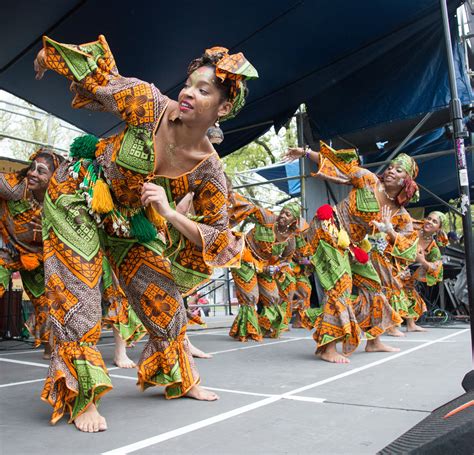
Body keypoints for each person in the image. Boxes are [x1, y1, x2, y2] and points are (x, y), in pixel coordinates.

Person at [34, 35, 257, 432]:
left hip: (128, 217)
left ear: (222, 108)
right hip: (77, 193)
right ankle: (81, 395)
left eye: (202, 90)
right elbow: (101, 77)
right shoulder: (149, 102)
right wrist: (50, 57)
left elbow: (217, 234)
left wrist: (169, 213)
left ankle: (180, 377)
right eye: (188, 84)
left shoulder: (210, 170)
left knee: (163, 300)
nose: (188, 92)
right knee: (81, 296)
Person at [284, 143, 417, 363]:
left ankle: (374, 341)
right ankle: (328, 346)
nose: (391, 170)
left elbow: (409, 244)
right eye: (391, 167)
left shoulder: (399, 213)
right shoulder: (368, 179)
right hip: (328, 229)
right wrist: (305, 153)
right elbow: (340, 165)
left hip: (352, 244)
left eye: (399, 170)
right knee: (341, 285)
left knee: (375, 285)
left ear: (407, 181)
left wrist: (390, 231)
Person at [0, 149, 63, 358]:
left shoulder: (61, 203)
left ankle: (49, 345)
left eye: (41, 171)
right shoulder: (16, 187)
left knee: (47, 303)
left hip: (38, 257)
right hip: (8, 249)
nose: (33, 173)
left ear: (54, 177)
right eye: (32, 167)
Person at [227, 189, 304, 341]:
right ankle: (246, 331)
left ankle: (263, 327)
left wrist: (276, 268)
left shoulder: (290, 239)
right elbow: (249, 207)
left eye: (288, 215)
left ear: (293, 221)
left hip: (265, 267)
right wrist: (229, 196)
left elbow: (287, 260)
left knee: (273, 297)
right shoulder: (268, 217)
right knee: (251, 296)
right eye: (283, 212)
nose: (282, 215)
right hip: (245, 258)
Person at [402, 211, 448, 331]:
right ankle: (391, 327)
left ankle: (410, 325)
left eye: (434, 221)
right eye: (428, 218)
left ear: (439, 228)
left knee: (409, 289)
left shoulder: (433, 248)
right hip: (390, 259)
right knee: (396, 287)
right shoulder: (413, 229)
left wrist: (422, 261)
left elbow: (436, 268)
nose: (429, 222)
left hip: (403, 268)